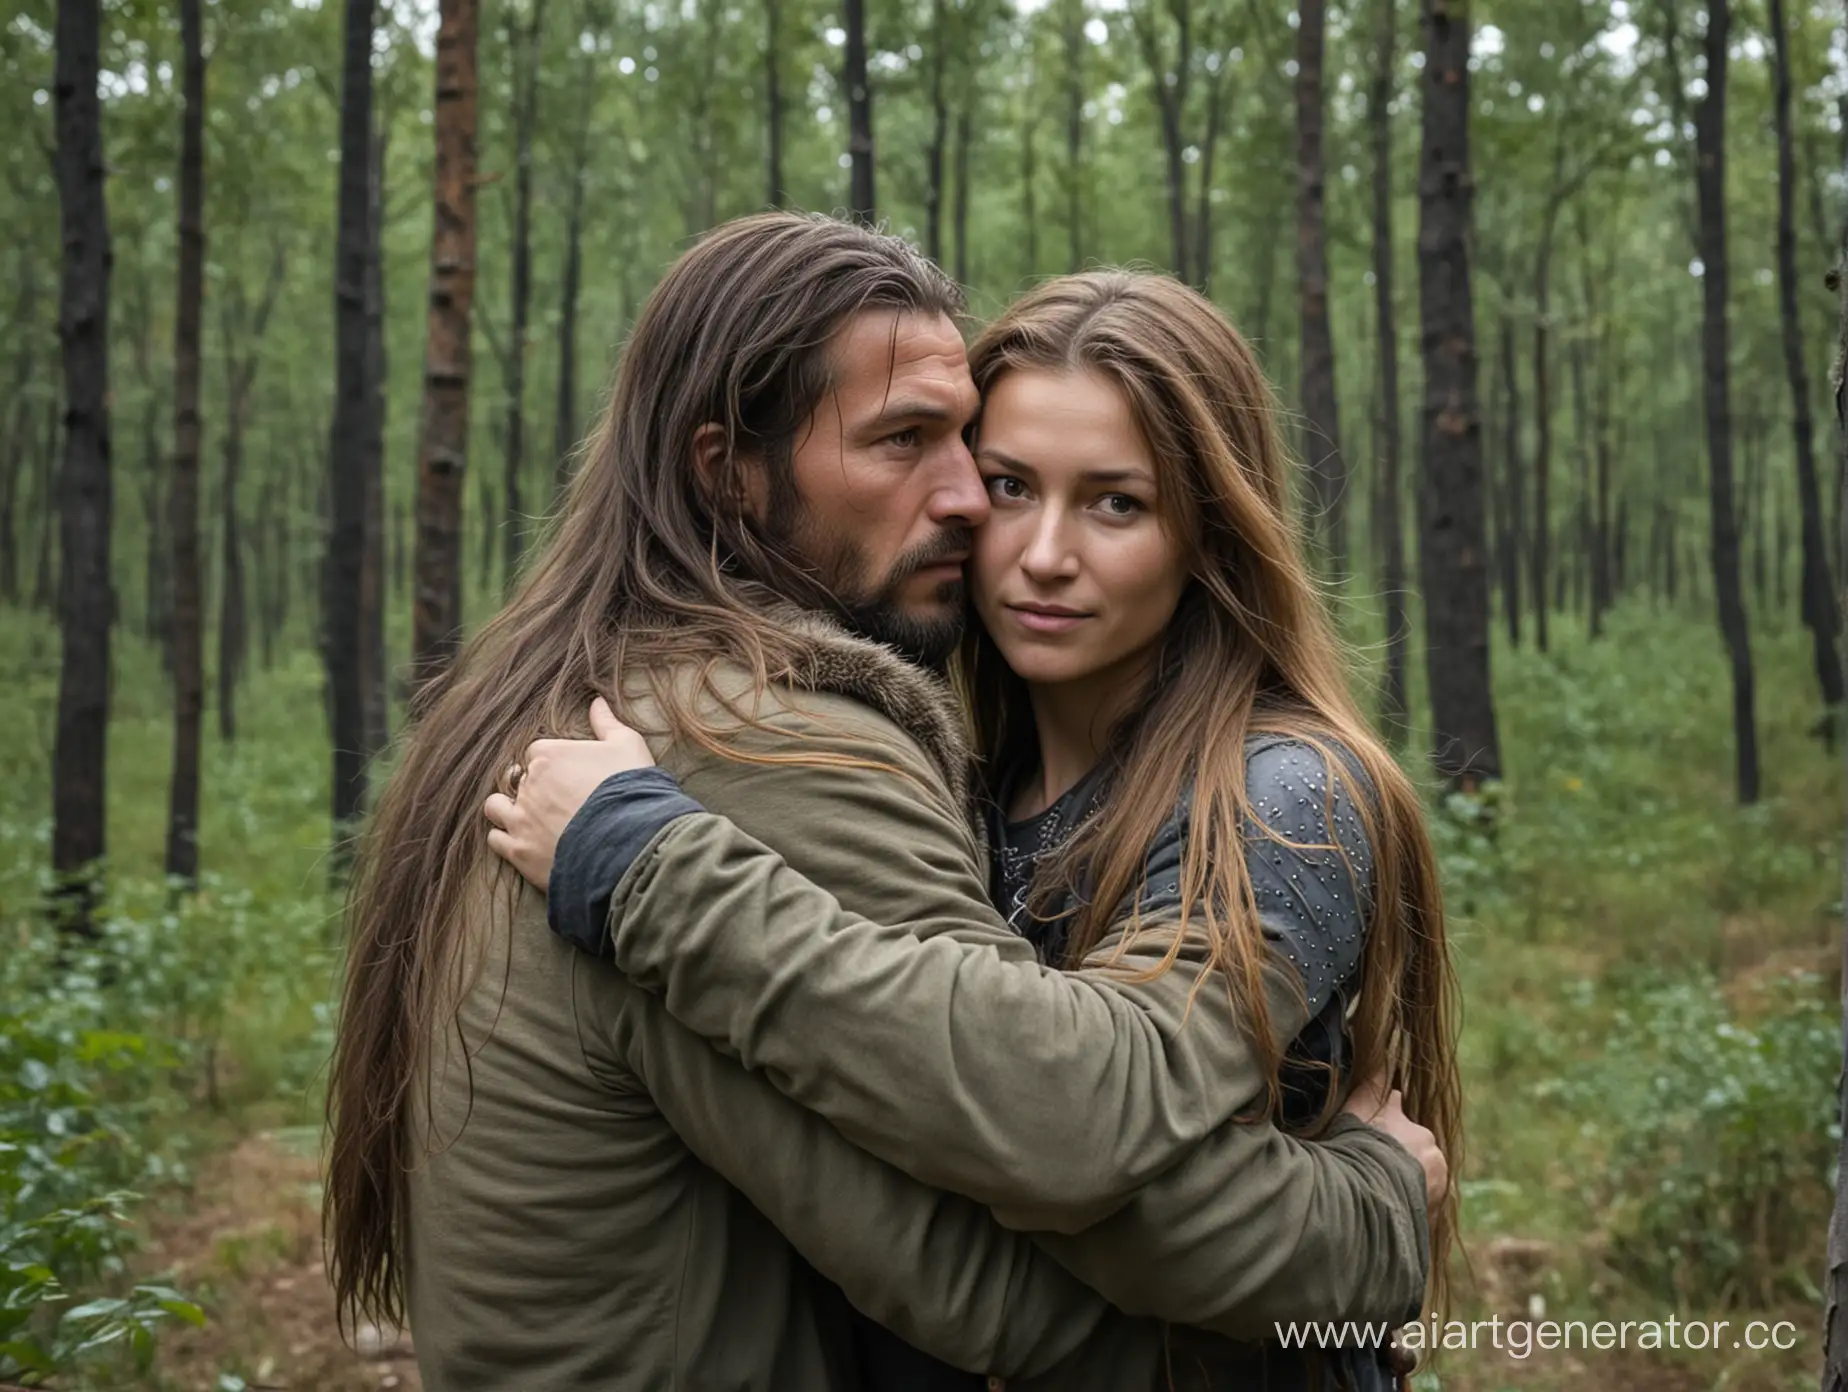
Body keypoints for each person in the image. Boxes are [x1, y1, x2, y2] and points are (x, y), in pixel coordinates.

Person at [326, 212, 1436, 1392]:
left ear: (1207, 536)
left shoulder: (1279, 794)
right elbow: (1007, 1235)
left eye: (1113, 501)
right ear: (728, 471)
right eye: (916, 445)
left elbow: (1053, 1133)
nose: (976, 508)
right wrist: (1365, 1219)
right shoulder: (757, 739)